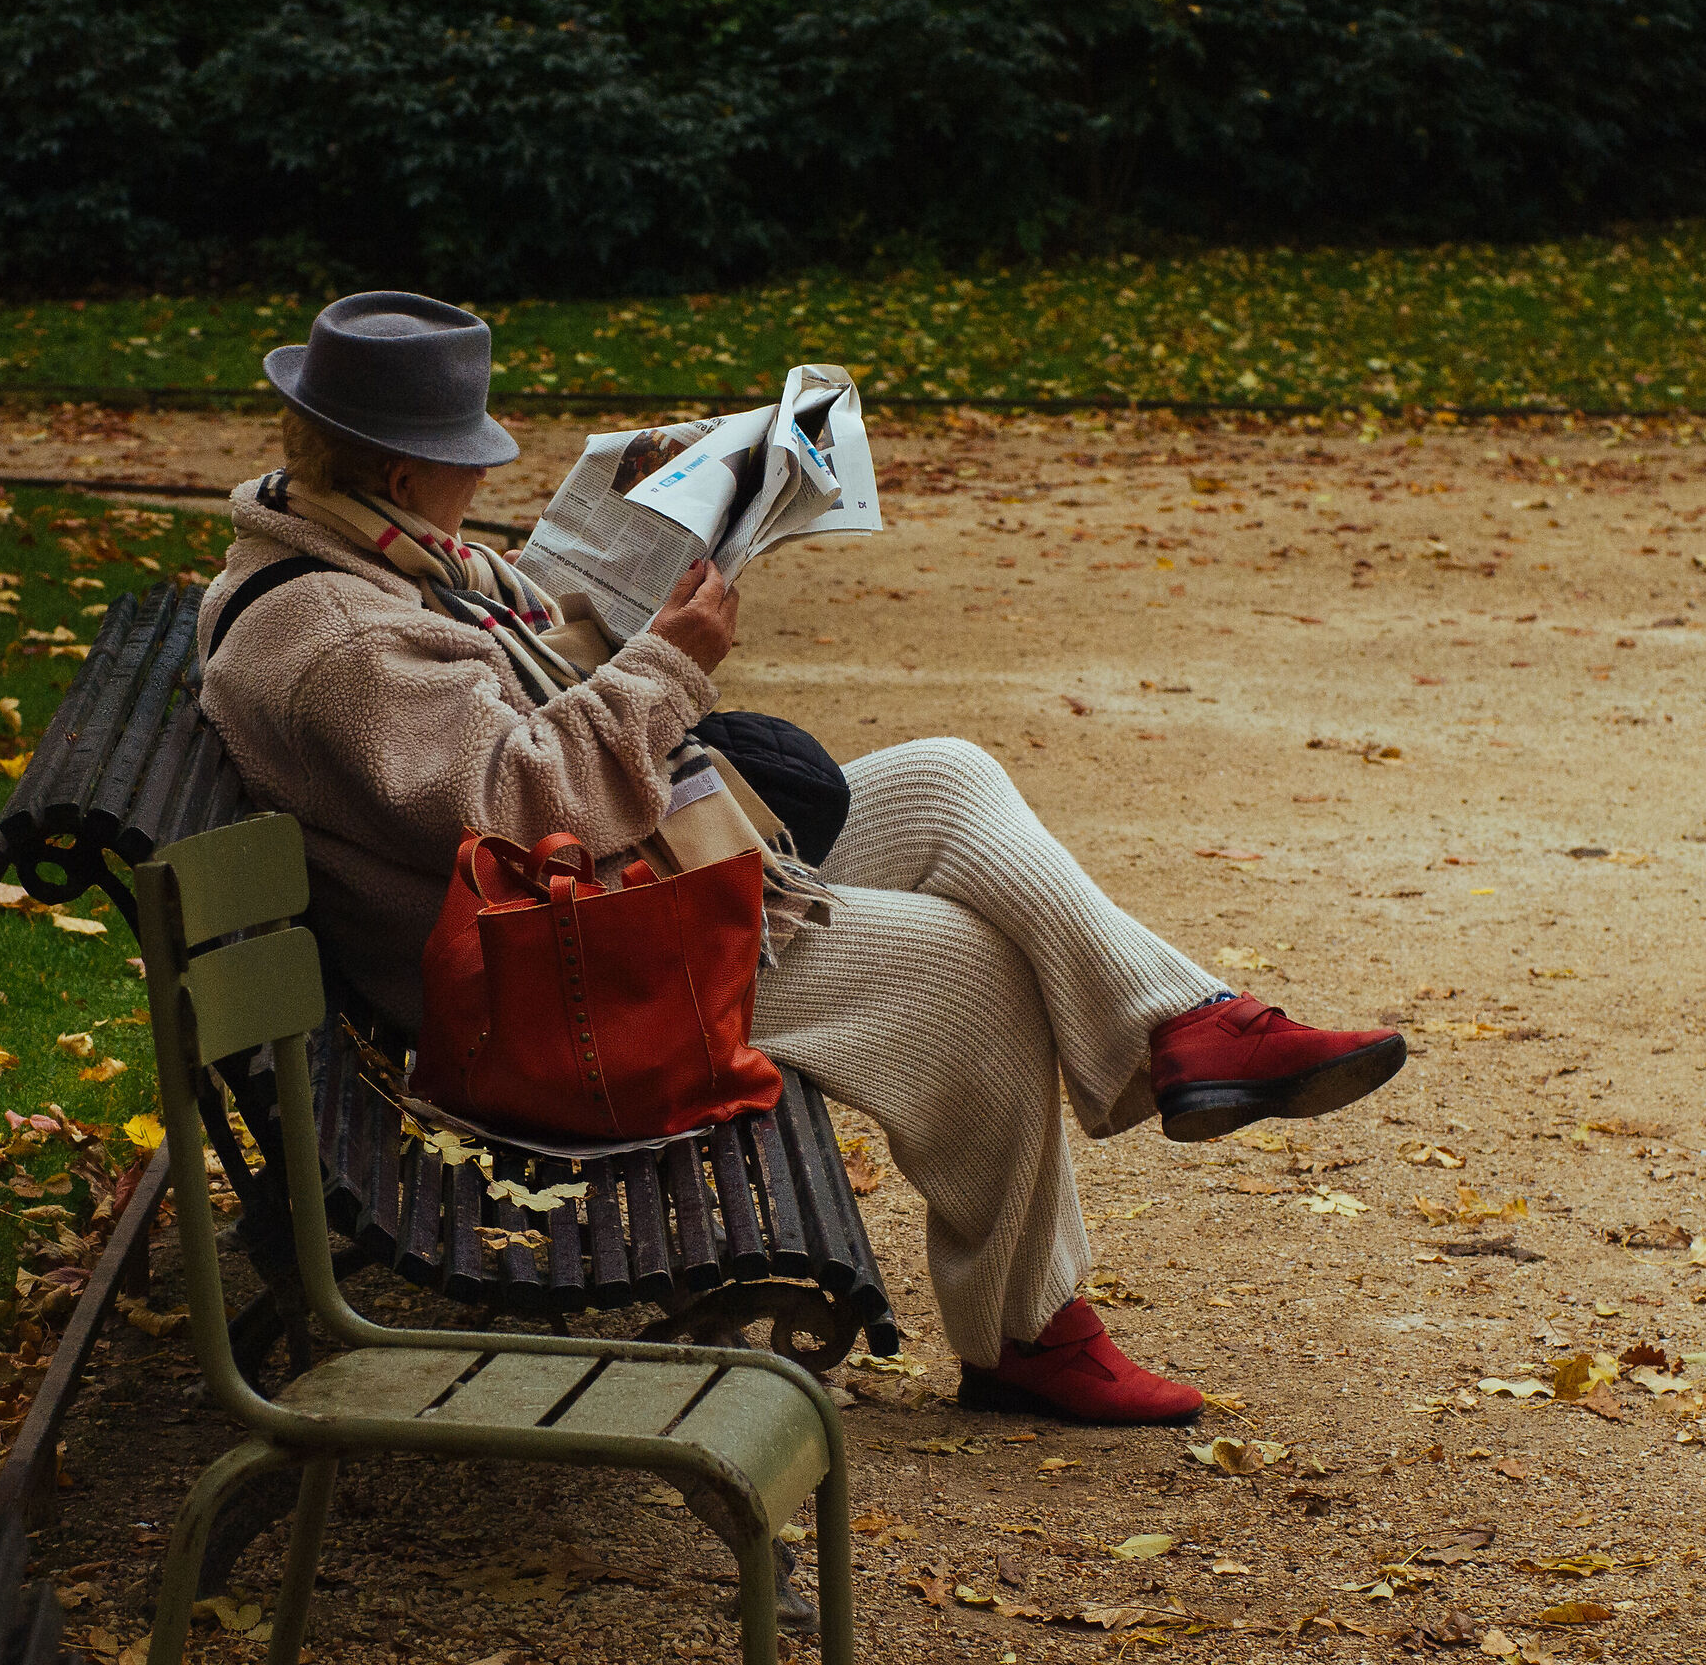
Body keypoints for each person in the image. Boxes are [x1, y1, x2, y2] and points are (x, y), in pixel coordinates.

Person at [197, 291, 1406, 1426]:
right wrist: (671, 664)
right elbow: (511, 795)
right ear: (407, 472)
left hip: (593, 902)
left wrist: (645, 525)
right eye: (474, 458)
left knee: (945, 777)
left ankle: (1185, 1023)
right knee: (965, 975)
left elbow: (518, 676)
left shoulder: (371, 554)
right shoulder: (341, 637)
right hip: (545, 986)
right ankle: (1029, 1333)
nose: (485, 474)